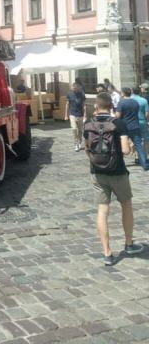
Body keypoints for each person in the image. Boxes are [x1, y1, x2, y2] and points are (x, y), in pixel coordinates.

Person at [83, 92, 144, 266]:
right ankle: (129, 243)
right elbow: (125, 150)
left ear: (96, 105)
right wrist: (130, 146)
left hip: (97, 172)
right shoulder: (118, 123)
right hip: (117, 171)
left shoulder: (88, 123)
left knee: (102, 211)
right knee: (126, 205)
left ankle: (107, 253)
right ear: (112, 106)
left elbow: (86, 148)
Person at [116, 88, 148, 170]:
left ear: (123, 93)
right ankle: (144, 164)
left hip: (124, 126)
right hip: (134, 125)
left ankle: (120, 164)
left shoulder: (121, 102)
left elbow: (118, 116)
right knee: (138, 145)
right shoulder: (135, 102)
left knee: (120, 145)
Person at [65, 82, 86, 151]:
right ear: (71, 88)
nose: (74, 89)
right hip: (72, 114)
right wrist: (66, 115)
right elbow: (67, 104)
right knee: (74, 129)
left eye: (75, 88)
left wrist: (85, 115)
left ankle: (79, 142)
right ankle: (76, 144)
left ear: (78, 88)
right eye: (73, 88)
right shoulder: (69, 94)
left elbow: (84, 105)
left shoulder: (82, 94)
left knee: (80, 130)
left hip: (80, 114)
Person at [131, 87, 149, 161]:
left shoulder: (129, 100)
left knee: (134, 139)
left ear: (132, 91)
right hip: (142, 121)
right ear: (140, 92)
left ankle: (136, 157)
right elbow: (147, 114)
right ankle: (145, 156)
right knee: (145, 139)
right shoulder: (144, 100)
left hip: (131, 122)